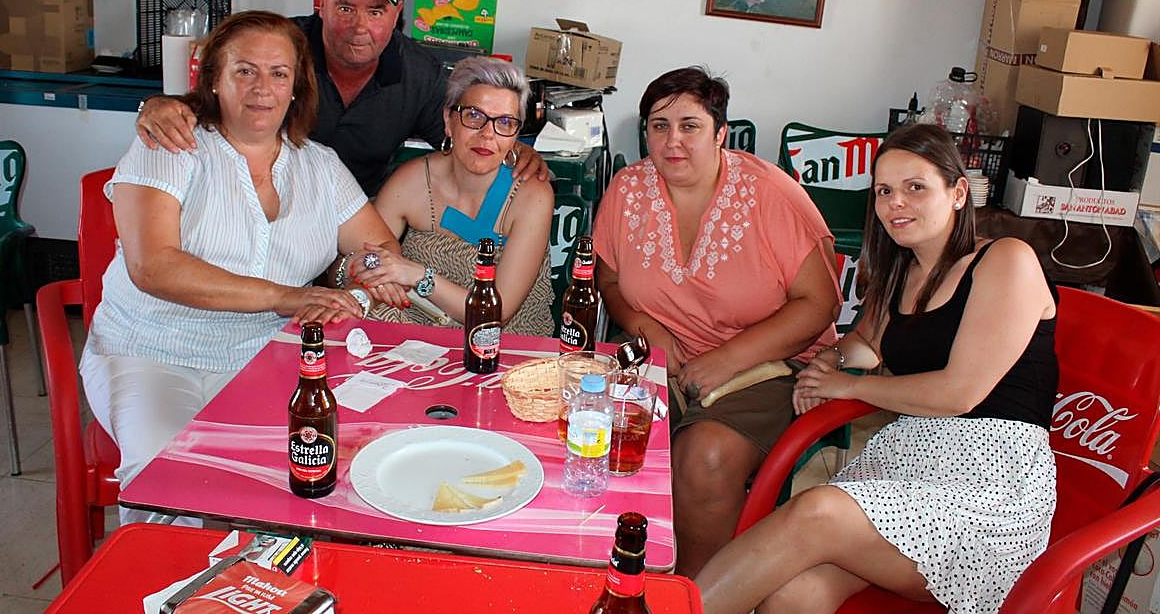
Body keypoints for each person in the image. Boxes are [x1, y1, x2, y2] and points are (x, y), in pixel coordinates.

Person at [695, 124, 1059, 614]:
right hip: (911, 465)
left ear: (958, 193)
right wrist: (831, 360)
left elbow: (958, 394)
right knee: (795, 594)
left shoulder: (1006, 259)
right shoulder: (903, 273)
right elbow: (867, 342)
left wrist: (846, 386)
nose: (896, 203)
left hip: (989, 490)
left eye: (915, 187)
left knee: (817, 509)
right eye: (884, 191)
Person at [80, 10, 404, 524]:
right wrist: (285, 297)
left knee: (329, 460)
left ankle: (272, 572)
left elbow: (378, 249)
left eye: (278, 73)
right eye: (245, 70)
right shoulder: (170, 145)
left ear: (296, 87)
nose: (262, 88)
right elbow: (154, 267)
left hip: (266, 356)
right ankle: (167, 577)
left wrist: (358, 287)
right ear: (213, 78)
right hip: (152, 351)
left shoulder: (318, 165)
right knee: (168, 480)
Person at [591, 67, 842, 577]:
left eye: (690, 126)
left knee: (703, 457)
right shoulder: (628, 188)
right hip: (657, 353)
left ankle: (694, 593)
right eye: (659, 126)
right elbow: (608, 279)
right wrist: (643, 327)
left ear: (720, 133)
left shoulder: (769, 193)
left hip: (765, 361)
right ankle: (609, 570)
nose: (673, 141)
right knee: (597, 427)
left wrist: (726, 359)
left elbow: (820, 304)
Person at [135, 0, 546, 196]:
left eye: (376, 11)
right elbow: (210, 104)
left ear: (398, 13)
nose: (359, 26)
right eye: (346, 8)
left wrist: (515, 151)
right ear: (323, 3)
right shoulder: (283, 48)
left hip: (357, 217)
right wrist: (160, 106)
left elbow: (463, 134)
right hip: (259, 207)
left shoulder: (418, 72)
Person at [344, 56, 555, 335]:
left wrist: (417, 275)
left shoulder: (532, 196)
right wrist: (373, 276)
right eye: (474, 116)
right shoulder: (411, 182)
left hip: (503, 339)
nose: (487, 134)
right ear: (448, 119)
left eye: (505, 122)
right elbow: (361, 257)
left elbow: (496, 312)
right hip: (416, 328)